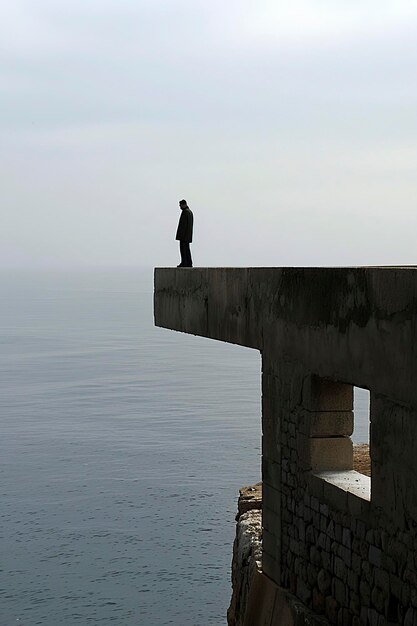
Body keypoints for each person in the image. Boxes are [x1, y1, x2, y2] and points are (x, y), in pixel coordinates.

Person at [176, 199, 194, 267]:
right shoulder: (190, 212)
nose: (180, 207)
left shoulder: (185, 212)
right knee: (187, 250)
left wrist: (181, 236)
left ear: (183, 204)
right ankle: (189, 263)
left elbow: (183, 225)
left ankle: (184, 263)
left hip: (183, 236)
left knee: (183, 250)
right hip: (188, 235)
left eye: (180, 205)